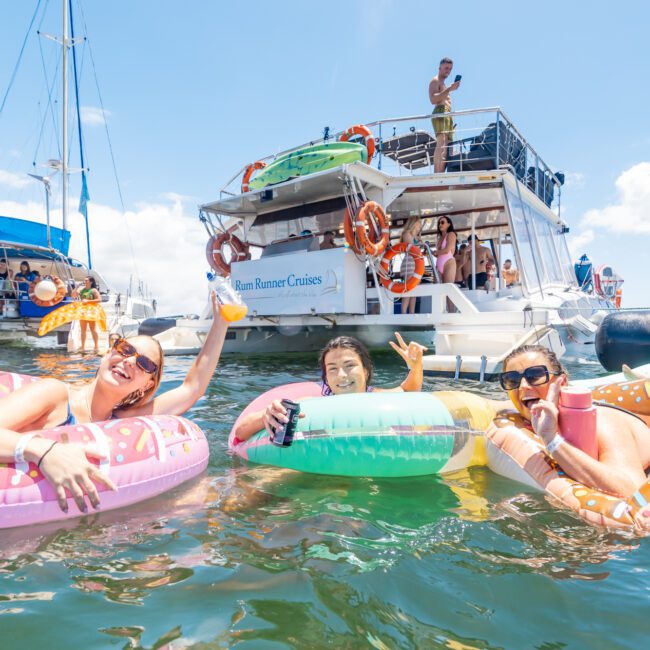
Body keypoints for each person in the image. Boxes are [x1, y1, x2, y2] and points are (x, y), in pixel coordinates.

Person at [0, 292, 229, 514]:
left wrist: (222, 321)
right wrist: (44, 451)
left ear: (147, 385)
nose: (129, 361)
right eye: (125, 349)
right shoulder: (54, 394)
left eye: (144, 364)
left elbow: (192, 389)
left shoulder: (120, 421)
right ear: (107, 355)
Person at [488, 345, 650, 498]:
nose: (523, 386)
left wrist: (551, 440)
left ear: (562, 382)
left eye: (535, 375)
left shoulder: (603, 421)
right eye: (512, 379)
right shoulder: (521, 414)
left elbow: (631, 491)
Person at [232, 333, 426, 441]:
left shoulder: (376, 398)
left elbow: (408, 391)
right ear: (326, 377)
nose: (341, 375)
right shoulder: (312, 406)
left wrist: (415, 366)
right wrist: (266, 414)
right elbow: (240, 432)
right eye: (332, 369)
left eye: (350, 366)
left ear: (366, 371)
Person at [429, 57, 461, 173]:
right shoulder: (435, 80)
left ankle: (443, 173)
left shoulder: (443, 83)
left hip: (447, 113)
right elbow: (433, 99)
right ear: (440, 67)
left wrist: (450, 89)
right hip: (440, 112)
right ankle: (438, 174)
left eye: (450, 69)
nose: (448, 71)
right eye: (446, 68)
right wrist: (449, 89)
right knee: (441, 144)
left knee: (448, 146)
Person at [400, 217, 422, 314]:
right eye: (419, 223)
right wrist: (419, 243)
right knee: (408, 290)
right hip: (409, 264)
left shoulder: (415, 236)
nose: (420, 225)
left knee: (414, 292)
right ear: (414, 223)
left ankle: (412, 314)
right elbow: (411, 247)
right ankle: (404, 314)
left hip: (416, 265)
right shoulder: (407, 234)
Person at [76, 276, 102, 353]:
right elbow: (73, 295)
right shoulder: (82, 290)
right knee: (83, 330)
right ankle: (83, 346)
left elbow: (99, 299)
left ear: (90, 282)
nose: (84, 282)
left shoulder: (93, 290)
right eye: (84, 280)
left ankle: (96, 346)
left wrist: (88, 301)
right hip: (83, 312)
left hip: (91, 312)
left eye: (86, 280)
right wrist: (77, 286)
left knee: (92, 329)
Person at [433, 216, 457, 283]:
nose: (440, 225)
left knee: (447, 288)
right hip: (438, 264)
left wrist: (436, 252)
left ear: (448, 224)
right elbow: (438, 255)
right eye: (439, 223)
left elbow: (447, 250)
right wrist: (430, 252)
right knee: (437, 288)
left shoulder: (451, 234)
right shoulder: (438, 238)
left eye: (442, 222)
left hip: (448, 263)